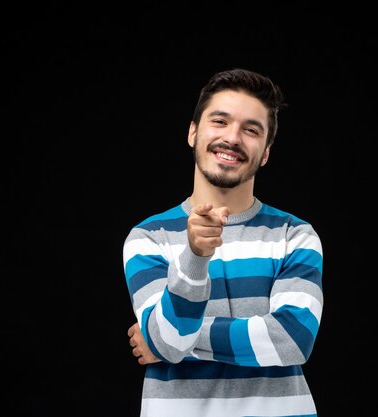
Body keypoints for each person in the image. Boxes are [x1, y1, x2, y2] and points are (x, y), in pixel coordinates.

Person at [123, 68, 324, 417]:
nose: (232, 138)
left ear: (265, 153)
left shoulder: (296, 234)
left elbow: (292, 339)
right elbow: (167, 340)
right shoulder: (147, 238)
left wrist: (166, 338)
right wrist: (195, 257)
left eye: (251, 129)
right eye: (220, 121)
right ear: (192, 132)